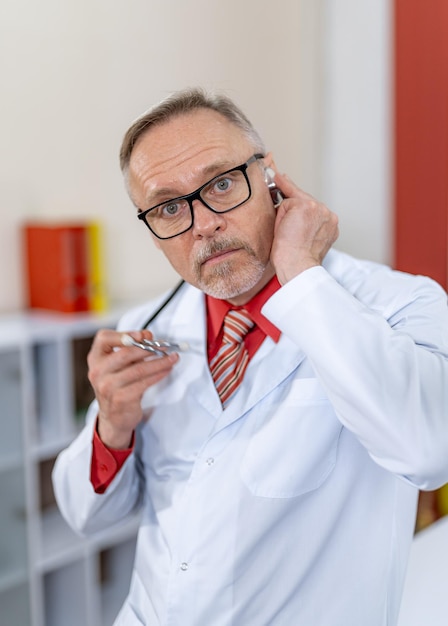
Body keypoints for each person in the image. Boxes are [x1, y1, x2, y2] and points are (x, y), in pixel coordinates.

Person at [53, 87, 448, 626]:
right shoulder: (145, 330)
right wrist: (111, 429)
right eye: (169, 207)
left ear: (270, 178)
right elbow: (85, 516)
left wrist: (302, 275)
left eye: (220, 184)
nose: (203, 224)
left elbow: (429, 452)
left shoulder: (401, 304)